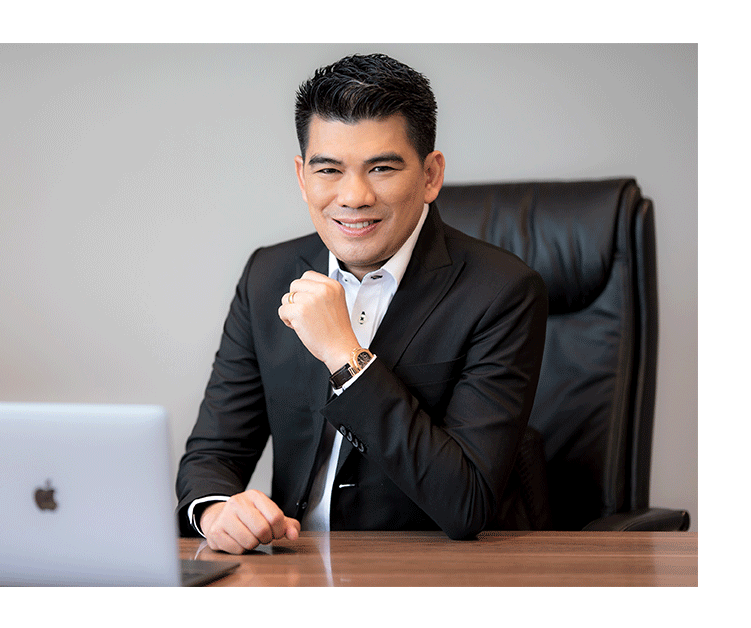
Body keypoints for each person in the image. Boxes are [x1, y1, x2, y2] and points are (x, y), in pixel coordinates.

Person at [175, 53, 548, 555]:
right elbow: (213, 454)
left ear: (430, 175)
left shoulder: (503, 291)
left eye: (382, 168)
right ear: (302, 177)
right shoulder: (267, 274)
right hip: (296, 567)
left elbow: (467, 502)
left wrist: (344, 355)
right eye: (329, 169)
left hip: (429, 573)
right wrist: (216, 511)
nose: (353, 196)